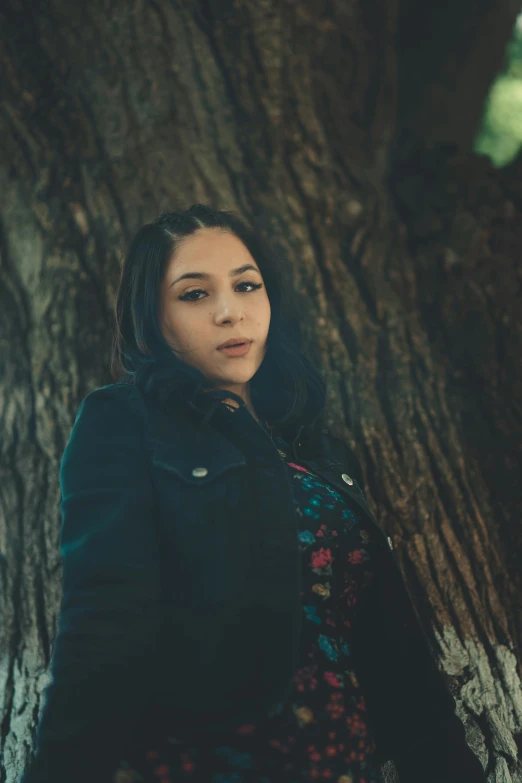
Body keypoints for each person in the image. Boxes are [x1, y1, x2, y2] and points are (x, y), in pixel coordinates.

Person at [19, 205, 487, 783]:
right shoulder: (123, 421)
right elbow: (104, 614)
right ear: (153, 316)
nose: (228, 312)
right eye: (193, 294)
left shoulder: (323, 456)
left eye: (246, 285)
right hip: (202, 763)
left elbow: (386, 648)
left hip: (341, 766)